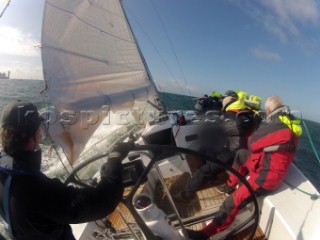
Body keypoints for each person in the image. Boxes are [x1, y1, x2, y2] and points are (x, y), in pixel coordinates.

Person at [0, 100, 128, 239]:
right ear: (35, 134)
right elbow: (101, 202)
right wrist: (114, 161)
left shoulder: (5, 171)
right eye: (39, 127)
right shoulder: (37, 190)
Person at [186, 95, 302, 239]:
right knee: (240, 154)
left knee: (231, 203)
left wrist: (262, 127)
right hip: (265, 163)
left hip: (265, 178)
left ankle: (204, 234)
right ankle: (229, 185)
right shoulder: (287, 123)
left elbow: (253, 143)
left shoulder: (276, 126)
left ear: (268, 109)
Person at [175, 90, 260, 201]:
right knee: (207, 148)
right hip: (238, 150)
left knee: (203, 169)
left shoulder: (231, 117)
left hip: (233, 154)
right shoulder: (245, 115)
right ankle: (209, 173)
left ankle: (186, 196)